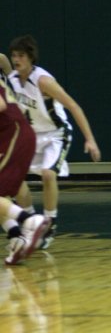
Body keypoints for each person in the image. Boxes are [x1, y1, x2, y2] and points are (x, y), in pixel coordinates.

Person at [8, 35, 101, 248]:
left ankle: (49, 223)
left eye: (21, 55)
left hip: (55, 134)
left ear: (31, 57)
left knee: (49, 174)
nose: (16, 59)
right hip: (30, 135)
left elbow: (74, 107)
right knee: (14, 179)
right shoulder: (12, 80)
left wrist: (90, 140)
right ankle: (31, 222)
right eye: (14, 55)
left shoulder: (43, 81)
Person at [0, 66, 50, 264]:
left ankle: (29, 220)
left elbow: (1, 106)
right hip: (15, 135)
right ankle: (16, 238)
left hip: (14, 134)